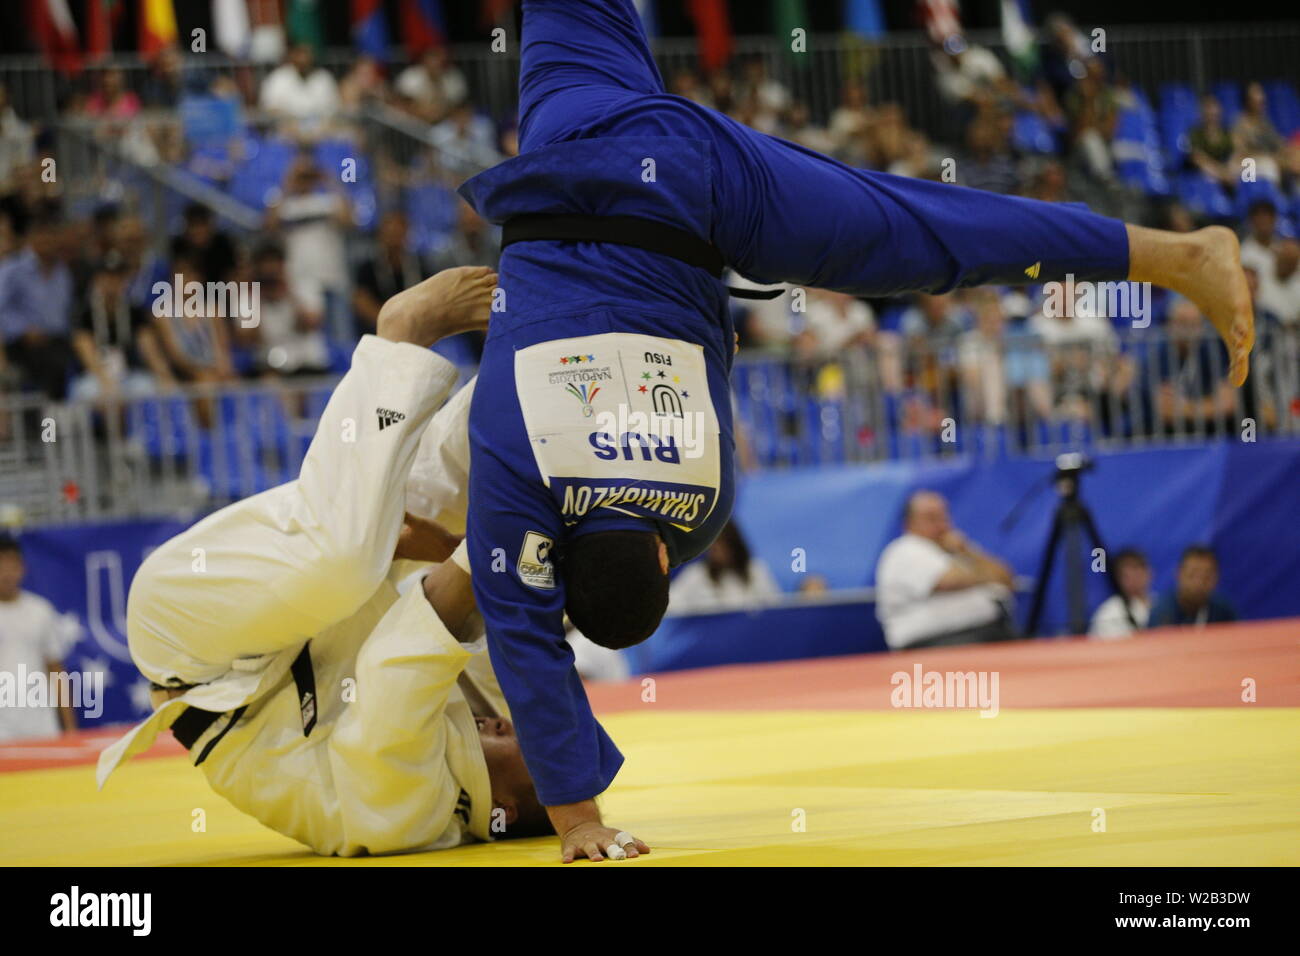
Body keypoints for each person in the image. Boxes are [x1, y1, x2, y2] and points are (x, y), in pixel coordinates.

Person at [455, 0, 1254, 850]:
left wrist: (581, 817)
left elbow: (711, 342)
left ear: (659, 555)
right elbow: (522, 633)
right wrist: (579, 819)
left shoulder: (700, 500)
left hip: (700, 193)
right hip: (571, 146)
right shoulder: (516, 465)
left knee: (923, 233)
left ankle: (1174, 255)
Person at [97, 266, 607, 858]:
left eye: (532, 753)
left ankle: (401, 336)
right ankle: (583, 333)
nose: (513, 726)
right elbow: (488, 581)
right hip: (319, 609)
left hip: (198, 646)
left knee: (346, 557)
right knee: (498, 459)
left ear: (504, 810)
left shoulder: (407, 817)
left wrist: (496, 545)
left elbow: (399, 665)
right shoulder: (495, 715)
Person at [875, 491, 1016, 649]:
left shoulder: (958, 548)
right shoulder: (904, 549)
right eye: (931, 518)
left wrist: (967, 552)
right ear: (909, 523)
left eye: (943, 516)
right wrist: (986, 574)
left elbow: (1006, 578)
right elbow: (950, 581)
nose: (941, 525)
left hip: (990, 631)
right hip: (933, 642)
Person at [0, 534, 77, 742]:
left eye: (11, 564)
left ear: (22, 567)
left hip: (41, 722)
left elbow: (55, 669)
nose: (6, 573)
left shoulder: (40, 610)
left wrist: (69, 727)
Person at [669, 519, 779, 613]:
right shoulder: (697, 574)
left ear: (733, 545)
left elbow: (774, 606)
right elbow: (671, 603)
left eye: (720, 544)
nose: (714, 549)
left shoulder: (755, 570)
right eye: (711, 544)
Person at [1149, 545, 1238, 628]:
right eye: (1192, 575)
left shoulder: (1223, 610)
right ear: (1178, 574)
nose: (1198, 583)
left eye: (1206, 577)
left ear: (1216, 578)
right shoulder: (1163, 612)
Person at [1088, 547, 1153, 639]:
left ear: (1149, 572)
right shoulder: (1110, 613)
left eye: (1137, 568)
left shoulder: (1162, 604)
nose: (1134, 577)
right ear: (1118, 578)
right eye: (1127, 574)